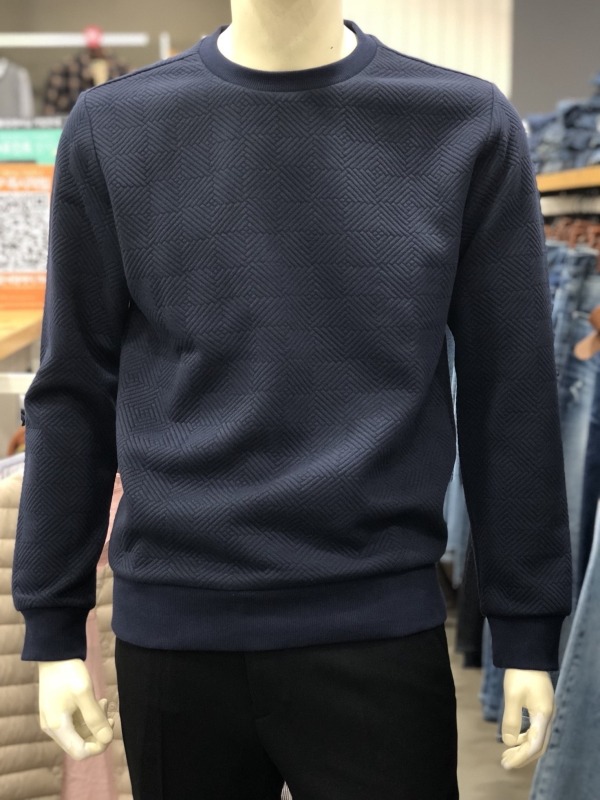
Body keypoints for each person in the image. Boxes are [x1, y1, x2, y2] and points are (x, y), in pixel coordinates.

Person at [12, 1, 572, 798]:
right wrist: (54, 620)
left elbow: (509, 393)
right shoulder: (115, 128)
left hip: (378, 632)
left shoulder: (463, 125)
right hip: (177, 636)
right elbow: (73, 388)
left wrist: (526, 628)